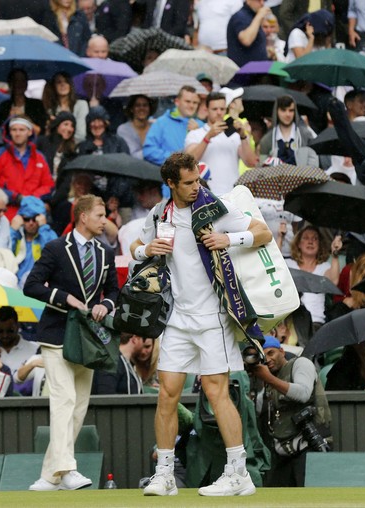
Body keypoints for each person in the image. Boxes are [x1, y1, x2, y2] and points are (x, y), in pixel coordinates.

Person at [130, 152, 272, 497]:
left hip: (214, 319)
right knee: (167, 395)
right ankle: (163, 475)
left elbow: (263, 232)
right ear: (171, 185)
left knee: (216, 392)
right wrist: (146, 249)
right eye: (189, 183)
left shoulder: (217, 208)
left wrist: (229, 240)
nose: (196, 187)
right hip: (177, 320)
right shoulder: (158, 213)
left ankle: (238, 473)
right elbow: (135, 245)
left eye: (198, 181)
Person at [24, 194, 119, 491]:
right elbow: (31, 285)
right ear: (82, 216)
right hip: (56, 335)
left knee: (78, 406)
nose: (106, 220)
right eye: (101, 215)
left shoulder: (105, 252)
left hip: (87, 338)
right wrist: (65, 299)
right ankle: (67, 469)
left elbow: (114, 291)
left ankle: (49, 475)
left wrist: (107, 305)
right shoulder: (55, 248)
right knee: (63, 400)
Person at [251, 335, 331, 487]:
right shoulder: (267, 378)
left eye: (271, 353)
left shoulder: (301, 363)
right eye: (263, 356)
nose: (267, 359)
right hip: (282, 449)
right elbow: (258, 409)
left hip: (310, 445)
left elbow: (303, 393)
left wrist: (268, 379)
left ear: (281, 351)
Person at [184, 92, 258, 196]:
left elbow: (251, 163)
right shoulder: (195, 134)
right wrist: (208, 137)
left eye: (222, 109)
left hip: (232, 194)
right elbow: (189, 161)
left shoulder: (235, 135)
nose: (219, 113)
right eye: (214, 109)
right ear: (206, 110)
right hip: (203, 194)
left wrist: (243, 136)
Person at [0, 115, 54, 219]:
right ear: (9, 132)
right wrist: (16, 197)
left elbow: (49, 185)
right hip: (4, 214)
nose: (17, 133)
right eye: (14, 130)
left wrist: (32, 198)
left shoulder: (39, 157)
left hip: (33, 215)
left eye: (22, 130)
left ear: (29, 132)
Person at [286, 226, 343, 333]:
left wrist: (335, 254)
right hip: (291, 322)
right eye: (306, 238)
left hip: (316, 323)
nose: (310, 242)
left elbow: (334, 280)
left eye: (315, 238)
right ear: (298, 243)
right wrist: (280, 237)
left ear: (320, 244)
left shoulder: (324, 267)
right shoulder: (288, 265)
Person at [143, 85, 202, 167]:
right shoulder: (161, 123)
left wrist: (199, 133)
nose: (191, 106)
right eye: (187, 101)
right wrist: (176, 159)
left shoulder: (201, 125)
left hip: (195, 177)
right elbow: (148, 151)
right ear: (177, 102)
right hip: (170, 177)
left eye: (195, 103)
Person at [259, 95, 318, 167]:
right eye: (283, 110)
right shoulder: (267, 140)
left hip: (302, 177)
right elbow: (262, 170)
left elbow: (314, 166)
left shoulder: (306, 135)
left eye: (291, 110)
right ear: (276, 111)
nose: (287, 114)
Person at [10, 196, 57, 287]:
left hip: (40, 285)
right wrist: (13, 231)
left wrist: (43, 227)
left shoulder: (48, 233)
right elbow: (5, 252)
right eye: (27, 219)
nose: (31, 222)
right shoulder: (16, 234)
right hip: (15, 285)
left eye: (35, 219)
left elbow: (54, 253)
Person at [0, 306, 38, 386]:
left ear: (18, 326)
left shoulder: (33, 349)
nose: (5, 335)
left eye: (10, 331)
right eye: (0, 331)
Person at [0, 69, 48, 134]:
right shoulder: (4, 106)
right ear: (10, 84)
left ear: (26, 83)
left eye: (22, 80)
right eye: (15, 80)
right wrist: (9, 117)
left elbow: (40, 131)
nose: (19, 84)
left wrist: (23, 116)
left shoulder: (36, 105)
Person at [42, 72, 89, 143]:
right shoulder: (49, 108)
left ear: (70, 85)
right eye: (59, 82)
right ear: (53, 86)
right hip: (53, 148)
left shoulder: (81, 104)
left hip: (75, 148)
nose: (63, 85)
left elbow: (81, 134)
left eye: (66, 82)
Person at [226, 0, 270, 67]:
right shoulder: (240, 16)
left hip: (258, 70)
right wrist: (259, 16)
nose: (262, 3)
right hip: (244, 72)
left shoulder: (253, 16)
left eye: (264, 0)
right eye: (258, 0)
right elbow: (246, 40)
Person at [117, 94, 154, 160]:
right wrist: (154, 152)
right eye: (137, 105)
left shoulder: (156, 126)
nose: (141, 108)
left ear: (149, 108)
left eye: (145, 105)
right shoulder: (123, 129)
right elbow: (132, 155)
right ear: (131, 109)